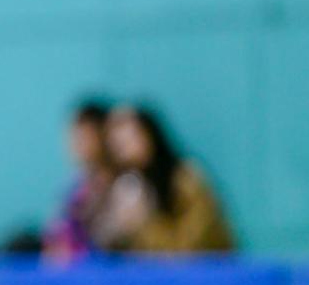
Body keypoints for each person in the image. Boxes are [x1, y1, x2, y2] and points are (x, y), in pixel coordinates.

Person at [99, 105, 233, 254]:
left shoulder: (186, 180)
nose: (120, 146)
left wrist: (143, 226)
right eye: (115, 144)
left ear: (149, 135)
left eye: (128, 139)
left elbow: (192, 249)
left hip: (210, 265)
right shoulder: (128, 187)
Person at [41, 99, 115, 263]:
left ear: (103, 135)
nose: (75, 143)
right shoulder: (75, 185)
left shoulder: (117, 185)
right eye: (73, 135)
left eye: (83, 136)